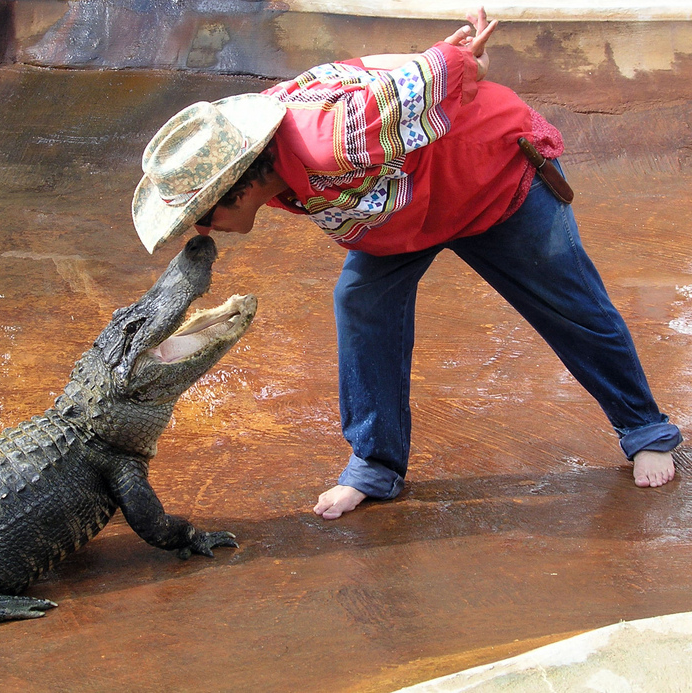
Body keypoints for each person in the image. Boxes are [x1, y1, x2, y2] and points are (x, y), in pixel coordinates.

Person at [131, 8, 682, 519]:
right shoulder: (263, 139)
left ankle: (645, 430)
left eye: (201, 214)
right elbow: (371, 68)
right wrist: (429, 64)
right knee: (362, 301)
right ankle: (375, 464)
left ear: (234, 186)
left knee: (571, 305)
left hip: (492, 184)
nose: (201, 230)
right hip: (402, 215)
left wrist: (460, 61)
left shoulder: (329, 138)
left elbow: (431, 74)